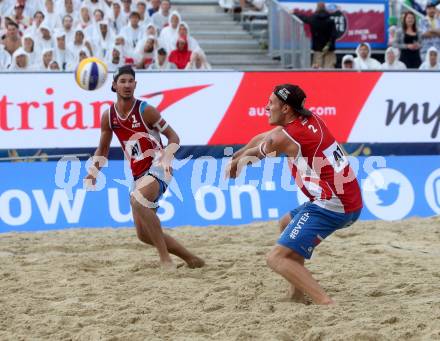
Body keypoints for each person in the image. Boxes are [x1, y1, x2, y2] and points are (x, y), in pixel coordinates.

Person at [226, 84, 363, 305]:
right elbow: (263, 138)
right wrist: (238, 155)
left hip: (333, 205)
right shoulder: (309, 120)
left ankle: (326, 302)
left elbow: (258, 152)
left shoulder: (290, 137)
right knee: (286, 223)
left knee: (275, 258)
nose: (266, 107)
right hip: (345, 199)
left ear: (286, 108)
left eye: (271, 103)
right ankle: (297, 294)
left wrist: (236, 164)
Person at [84, 65, 205, 269]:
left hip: (157, 166)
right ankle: (192, 259)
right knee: (143, 235)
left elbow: (174, 137)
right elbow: (102, 149)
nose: (127, 85)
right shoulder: (109, 116)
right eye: (122, 81)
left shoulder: (145, 110)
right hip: (138, 173)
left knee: (138, 201)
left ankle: (165, 259)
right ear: (114, 86)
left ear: (136, 84)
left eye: (131, 81)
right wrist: (93, 172)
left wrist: (166, 157)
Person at [295, 2, 337, 69]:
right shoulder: (331, 21)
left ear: (317, 8)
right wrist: (329, 45)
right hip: (329, 49)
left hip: (318, 49)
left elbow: (304, 18)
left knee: (317, 70)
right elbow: (334, 35)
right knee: (330, 70)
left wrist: (295, 13)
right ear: (325, 8)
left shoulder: (313, 19)